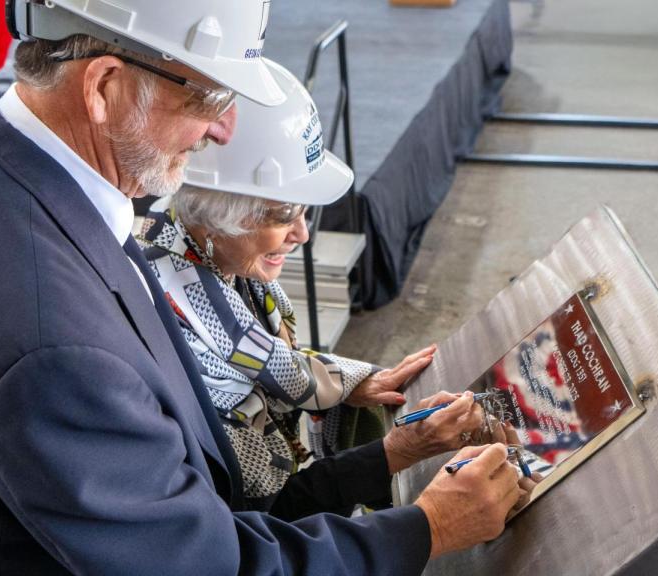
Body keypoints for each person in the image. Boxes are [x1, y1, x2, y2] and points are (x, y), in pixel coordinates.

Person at [0, 1, 523, 574]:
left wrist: (384, 456)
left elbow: (196, 505)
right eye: (207, 98)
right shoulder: (53, 345)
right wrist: (428, 527)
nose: (223, 131)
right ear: (103, 86)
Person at [139, 59, 491, 512]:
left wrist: (353, 383)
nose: (302, 234)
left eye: (303, 212)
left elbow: (268, 357)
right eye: (284, 215)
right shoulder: (180, 333)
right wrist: (395, 453)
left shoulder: (199, 252)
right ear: (214, 216)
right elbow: (261, 519)